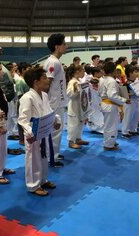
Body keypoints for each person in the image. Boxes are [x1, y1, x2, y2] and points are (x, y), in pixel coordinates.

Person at [18, 67, 61, 196]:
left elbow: (49, 111)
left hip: (44, 130)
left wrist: (56, 120)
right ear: (36, 82)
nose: (47, 80)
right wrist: (29, 133)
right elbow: (23, 119)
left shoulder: (44, 95)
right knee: (33, 159)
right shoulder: (27, 97)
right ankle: (32, 185)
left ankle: (42, 180)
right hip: (33, 132)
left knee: (43, 157)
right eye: (44, 78)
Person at [43, 34, 68, 167]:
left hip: (57, 100)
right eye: (64, 44)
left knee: (57, 130)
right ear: (57, 47)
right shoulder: (53, 62)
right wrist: (44, 102)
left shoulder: (55, 61)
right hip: (53, 102)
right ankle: (51, 157)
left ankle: (54, 153)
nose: (66, 46)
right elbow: (47, 83)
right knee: (55, 130)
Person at [99, 62, 130, 151]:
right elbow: (112, 96)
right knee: (111, 126)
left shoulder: (102, 79)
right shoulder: (111, 81)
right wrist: (124, 100)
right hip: (110, 105)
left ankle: (110, 141)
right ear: (113, 71)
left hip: (106, 104)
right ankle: (108, 145)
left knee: (108, 125)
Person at [66, 65, 89, 149]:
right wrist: (75, 89)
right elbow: (69, 94)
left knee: (80, 123)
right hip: (74, 107)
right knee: (73, 125)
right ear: (77, 72)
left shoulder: (79, 81)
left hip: (80, 107)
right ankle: (71, 142)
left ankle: (78, 139)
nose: (84, 72)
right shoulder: (72, 82)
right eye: (82, 70)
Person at [121, 65, 139, 138]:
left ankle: (133, 129)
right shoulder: (127, 83)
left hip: (136, 100)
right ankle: (125, 131)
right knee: (128, 117)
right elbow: (123, 94)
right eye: (135, 72)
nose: (137, 73)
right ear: (130, 73)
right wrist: (131, 94)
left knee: (135, 116)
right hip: (129, 102)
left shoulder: (136, 82)